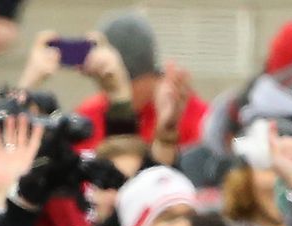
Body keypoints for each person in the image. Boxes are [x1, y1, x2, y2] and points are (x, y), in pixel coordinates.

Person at [69, 13, 209, 152]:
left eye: (128, 83)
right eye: (110, 82)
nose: (121, 91)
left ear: (153, 76)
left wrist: (167, 133)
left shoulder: (194, 116)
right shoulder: (89, 116)